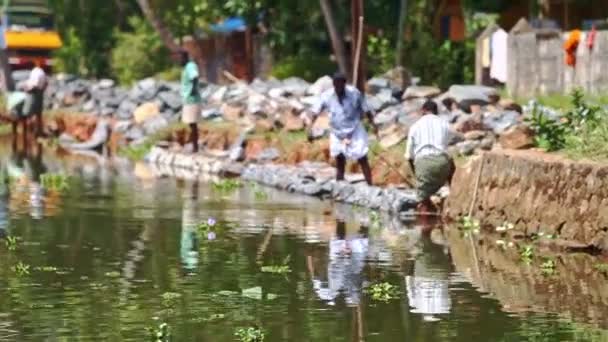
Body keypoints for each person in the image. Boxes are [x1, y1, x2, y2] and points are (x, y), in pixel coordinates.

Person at [307, 72, 378, 185]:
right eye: (336, 85)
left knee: (362, 157)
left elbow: (366, 110)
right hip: (337, 132)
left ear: (344, 84)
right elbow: (315, 112)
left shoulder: (354, 93)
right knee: (339, 158)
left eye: (340, 85)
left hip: (354, 130)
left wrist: (374, 126)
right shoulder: (326, 95)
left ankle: (370, 185)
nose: (338, 88)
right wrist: (309, 129)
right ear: (333, 84)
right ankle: (339, 185)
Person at [405, 100, 455, 213]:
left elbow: (409, 157)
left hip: (423, 164)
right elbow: (446, 145)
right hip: (442, 163)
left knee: (423, 200)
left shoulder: (415, 126)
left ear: (423, 111)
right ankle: (453, 191)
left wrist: (417, 177)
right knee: (451, 163)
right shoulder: (445, 124)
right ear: (436, 111)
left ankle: (425, 223)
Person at [179, 50, 202, 153]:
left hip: (192, 99)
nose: (179, 61)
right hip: (187, 99)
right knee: (190, 124)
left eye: (180, 58)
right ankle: (193, 145)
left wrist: (193, 91)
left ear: (185, 57)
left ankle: (195, 147)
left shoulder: (190, 65)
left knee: (193, 124)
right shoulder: (185, 67)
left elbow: (195, 77)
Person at [22, 60, 47, 137]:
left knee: (29, 114)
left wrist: (27, 89)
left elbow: (34, 85)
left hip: (33, 94)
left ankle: (31, 133)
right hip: (39, 93)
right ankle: (39, 132)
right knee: (38, 114)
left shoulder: (35, 72)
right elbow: (46, 83)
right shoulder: (40, 71)